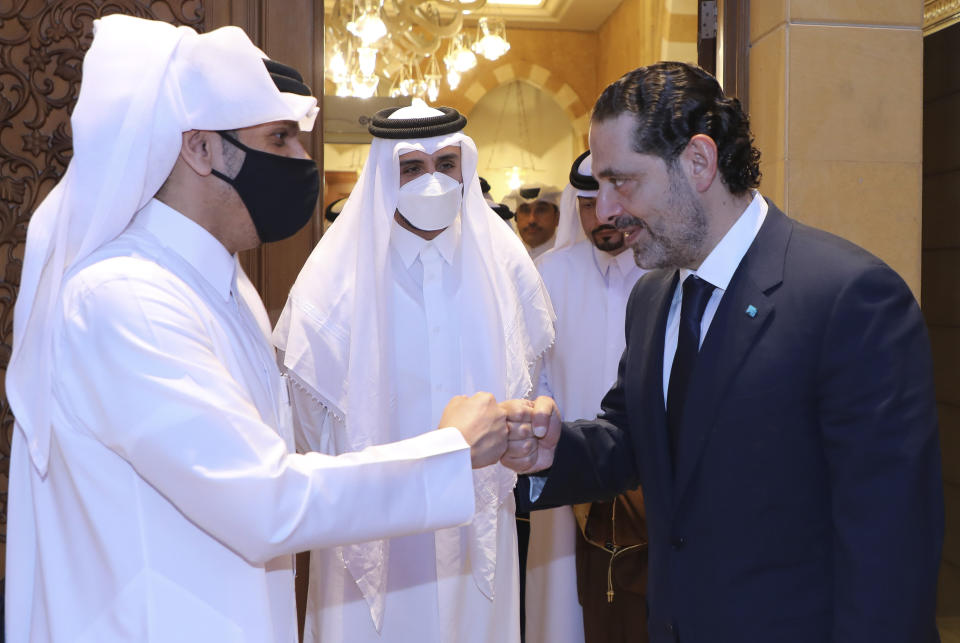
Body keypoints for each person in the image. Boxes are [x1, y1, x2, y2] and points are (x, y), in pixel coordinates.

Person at [4, 16, 513, 643]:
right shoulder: (125, 299)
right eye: (280, 138)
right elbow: (266, 500)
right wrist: (448, 451)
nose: (302, 161)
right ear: (201, 148)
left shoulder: (222, 285)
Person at [512, 61, 944, 643]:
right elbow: (633, 438)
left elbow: (891, 549)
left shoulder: (850, 298)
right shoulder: (653, 296)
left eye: (624, 182)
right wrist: (546, 450)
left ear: (698, 162)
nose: (607, 210)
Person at [273, 101, 555, 643]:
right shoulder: (334, 284)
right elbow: (309, 434)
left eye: (446, 164)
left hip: (475, 533)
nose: (433, 180)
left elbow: (528, 390)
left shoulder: (507, 270)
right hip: (373, 529)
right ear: (385, 174)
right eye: (412, 168)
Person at [525, 150, 649, 643]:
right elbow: (531, 376)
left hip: (648, 479)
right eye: (586, 203)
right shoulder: (546, 277)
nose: (601, 217)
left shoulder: (668, 271)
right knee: (562, 613)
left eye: (610, 200)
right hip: (567, 475)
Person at [507, 183, 562, 259]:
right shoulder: (506, 259)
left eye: (541, 210)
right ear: (516, 218)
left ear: (557, 217)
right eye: (525, 210)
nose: (532, 220)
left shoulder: (570, 260)